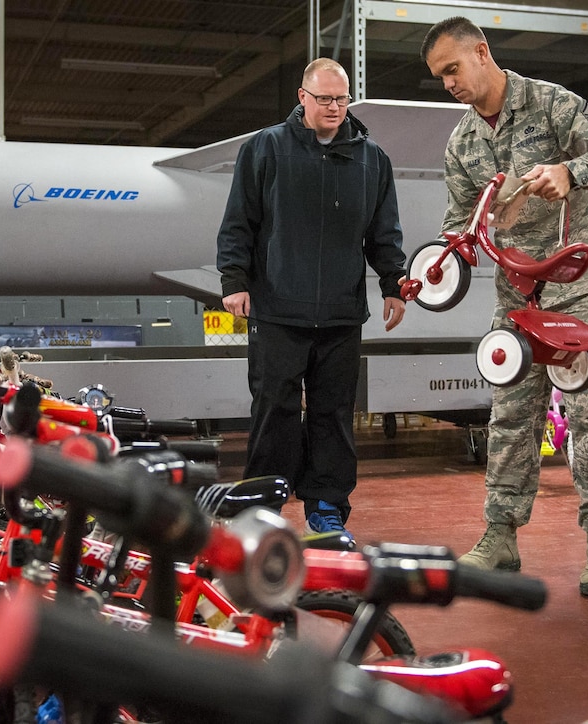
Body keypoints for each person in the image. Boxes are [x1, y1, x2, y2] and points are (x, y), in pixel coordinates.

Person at [420, 17, 588, 598]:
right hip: (517, 299)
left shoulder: (551, 106)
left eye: (452, 69)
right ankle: (500, 537)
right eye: (439, 77)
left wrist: (572, 171)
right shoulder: (463, 142)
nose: (448, 83)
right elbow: (459, 223)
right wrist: (439, 264)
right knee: (511, 420)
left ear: (482, 52)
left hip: (584, 292)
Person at [216, 58, 408, 544]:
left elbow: (383, 232)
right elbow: (240, 220)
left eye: (341, 99)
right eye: (324, 99)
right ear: (302, 97)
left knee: (334, 412)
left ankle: (326, 508)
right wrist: (234, 279)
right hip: (278, 307)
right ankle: (261, 508)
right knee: (274, 409)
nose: (334, 108)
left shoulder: (372, 160)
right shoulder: (265, 149)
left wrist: (392, 283)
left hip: (341, 313)